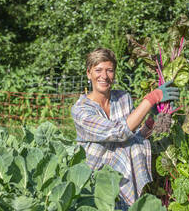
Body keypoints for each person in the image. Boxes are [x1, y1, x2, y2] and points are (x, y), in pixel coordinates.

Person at [71, 48, 179, 209]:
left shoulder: (123, 98)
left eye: (110, 70)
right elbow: (118, 132)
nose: (104, 76)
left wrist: (152, 120)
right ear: (89, 73)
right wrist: (151, 99)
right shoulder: (80, 110)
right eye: (98, 70)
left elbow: (134, 136)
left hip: (126, 174)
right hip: (96, 176)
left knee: (134, 146)